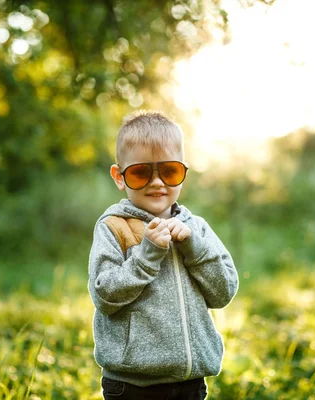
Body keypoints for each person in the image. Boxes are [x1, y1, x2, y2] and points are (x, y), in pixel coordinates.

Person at [88, 110, 239, 399]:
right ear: (119, 177)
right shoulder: (114, 227)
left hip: (190, 382)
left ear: (183, 172)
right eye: (141, 172)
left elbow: (223, 293)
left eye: (169, 171)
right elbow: (104, 296)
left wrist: (194, 249)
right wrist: (145, 257)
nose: (157, 183)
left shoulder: (197, 228)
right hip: (132, 385)